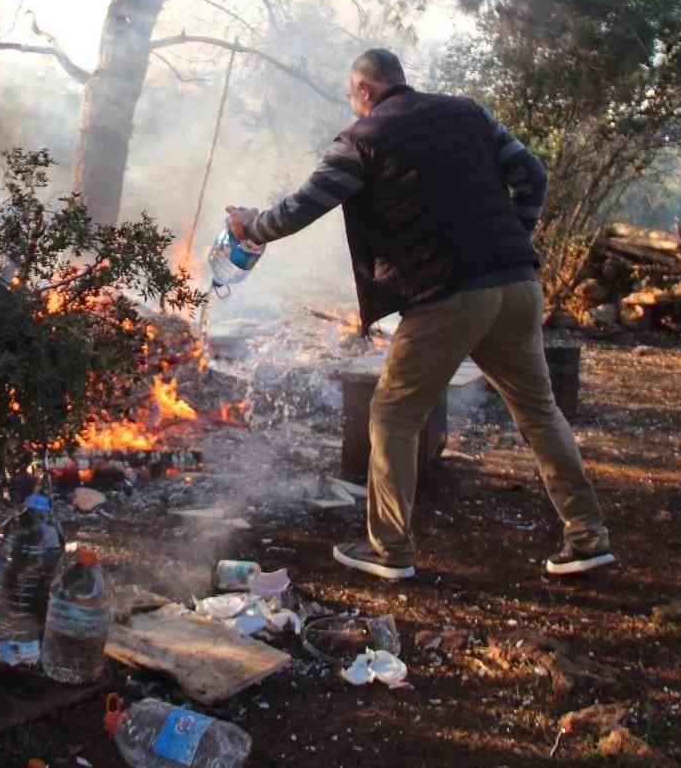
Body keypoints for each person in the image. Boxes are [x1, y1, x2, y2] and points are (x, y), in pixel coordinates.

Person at [225, 48, 613, 580]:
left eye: (351, 96)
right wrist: (512, 236)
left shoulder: (361, 140)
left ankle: (389, 549)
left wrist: (253, 224)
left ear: (364, 90)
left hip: (447, 294)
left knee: (393, 415)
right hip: (517, 282)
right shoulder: (469, 113)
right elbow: (533, 175)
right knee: (540, 413)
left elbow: (302, 207)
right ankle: (588, 535)